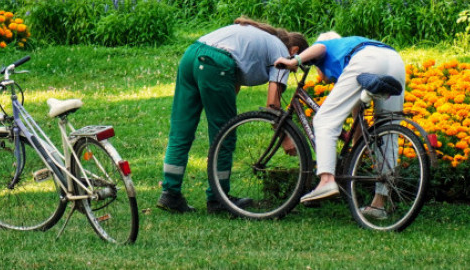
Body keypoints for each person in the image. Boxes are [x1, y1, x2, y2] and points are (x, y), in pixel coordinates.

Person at [157, 17, 309, 214]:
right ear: (295, 52)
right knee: (224, 135)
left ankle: (170, 194)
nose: (297, 67)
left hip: (191, 55)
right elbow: (273, 104)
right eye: (302, 63)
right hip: (215, 63)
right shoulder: (282, 51)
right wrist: (286, 138)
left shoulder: (259, 37)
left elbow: (233, 81)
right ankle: (218, 199)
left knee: (181, 131)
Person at [275, 31, 406, 217]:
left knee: (323, 120)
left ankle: (326, 180)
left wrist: (294, 61)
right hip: (394, 61)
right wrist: (357, 149)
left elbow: (320, 48)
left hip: (368, 60)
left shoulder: (329, 45)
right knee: (388, 130)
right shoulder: (350, 51)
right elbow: (358, 121)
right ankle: (379, 204)